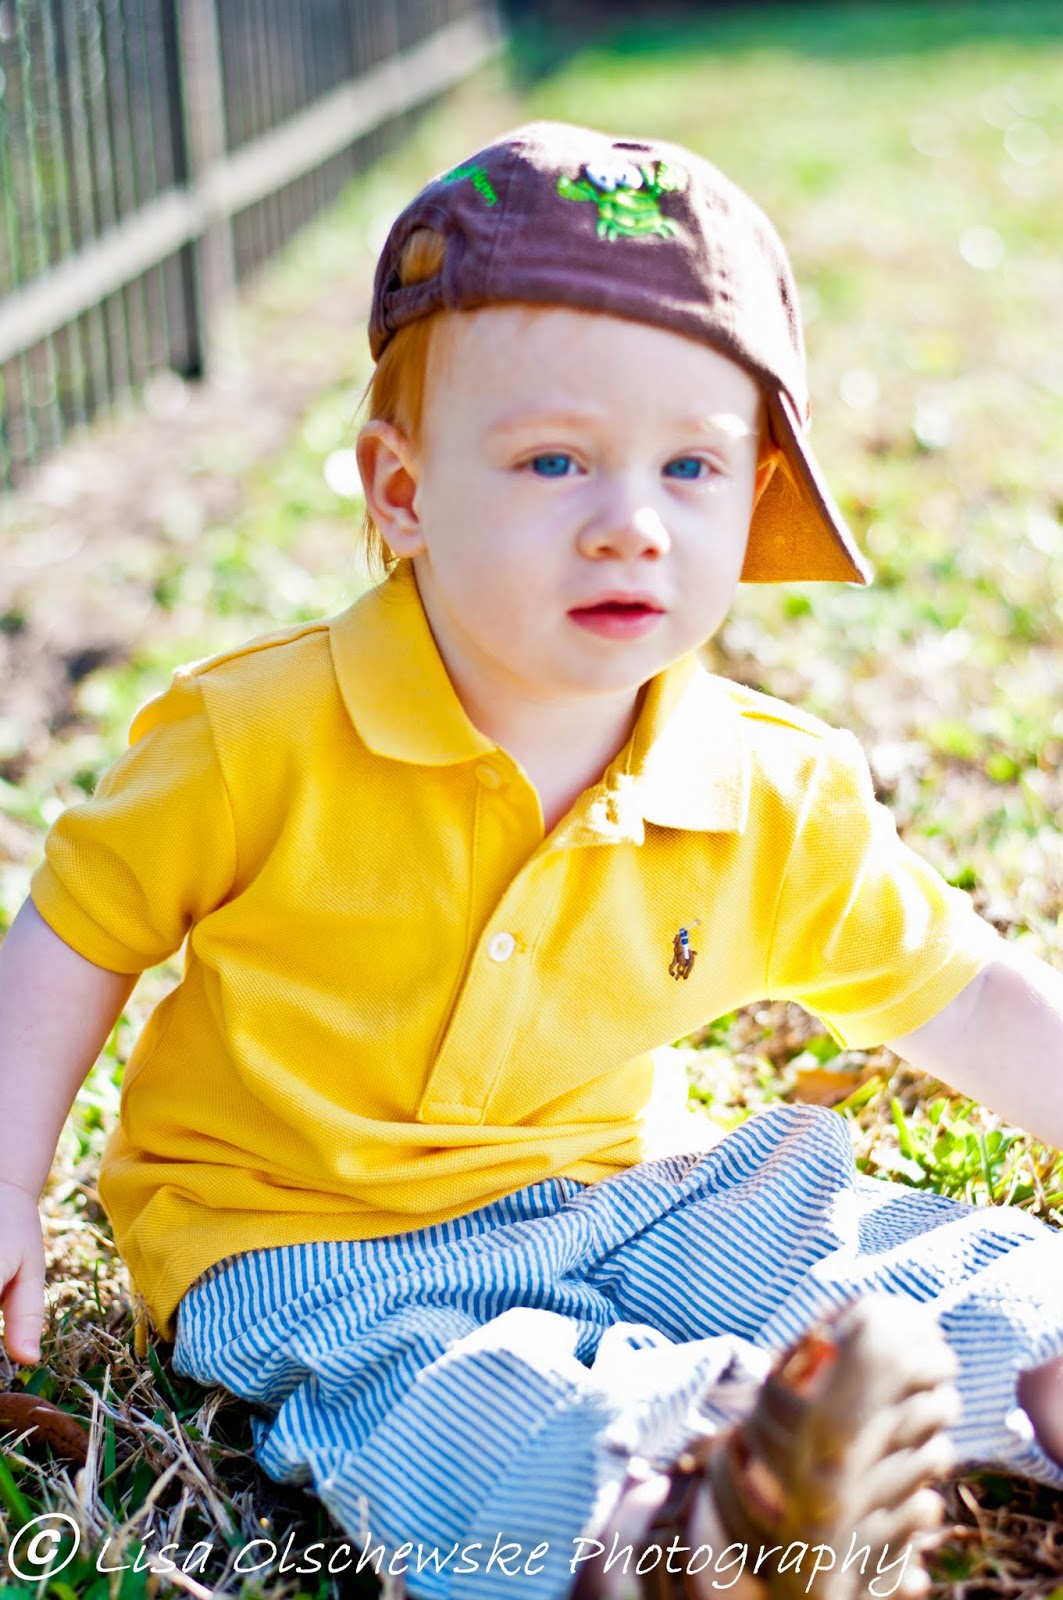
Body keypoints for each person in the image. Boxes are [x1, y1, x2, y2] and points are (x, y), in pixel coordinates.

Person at [2, 121, 1063, 1600]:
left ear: (755, 493)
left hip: (632, 1184)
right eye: (554, 459)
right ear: (402, 490)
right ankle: (680, 1524)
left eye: (691, 466)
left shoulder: (766, 784)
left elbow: (963, 995)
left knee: (845, 1234)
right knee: (447, 1394)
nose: (630, 525)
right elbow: (78, 928)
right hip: (309, 1231)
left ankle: (1033, 1368)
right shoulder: (255, 735)